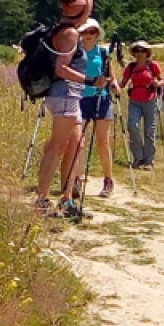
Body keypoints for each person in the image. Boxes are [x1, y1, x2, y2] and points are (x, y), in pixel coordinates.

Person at [31, 21, 86, 212]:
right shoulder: (70, 33)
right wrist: (90, 80)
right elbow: (61, 68)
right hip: (65, 93)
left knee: (77, 143)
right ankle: (42, 198)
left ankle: (67, 198)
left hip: (70, 94)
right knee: (58, 145)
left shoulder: (63, 31)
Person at [69, 19, 116, 200]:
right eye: (85, 32)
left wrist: (113, 84)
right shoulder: (75, 52)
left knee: (103, 142)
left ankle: (108, 180)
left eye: (92, 32)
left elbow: (111, 76)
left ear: (97, 34)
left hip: (101, 99)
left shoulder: (103, 53)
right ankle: (76, 180)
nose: (88, 35)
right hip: (80, 99)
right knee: (78, 142)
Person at [121, 41, 163, 170]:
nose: (140, 53)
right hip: (135, 100)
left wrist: (158, 83)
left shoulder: (152, 65)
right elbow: (123, 83)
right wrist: (112, 84)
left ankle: (149, 160)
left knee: (149, 131)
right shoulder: (131, 67)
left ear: (147, 52)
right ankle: (138, 157)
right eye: (137, 50)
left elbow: (162, 80)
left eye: (142, 50)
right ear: (133, 53)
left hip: (150, 100)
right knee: (132, 126)